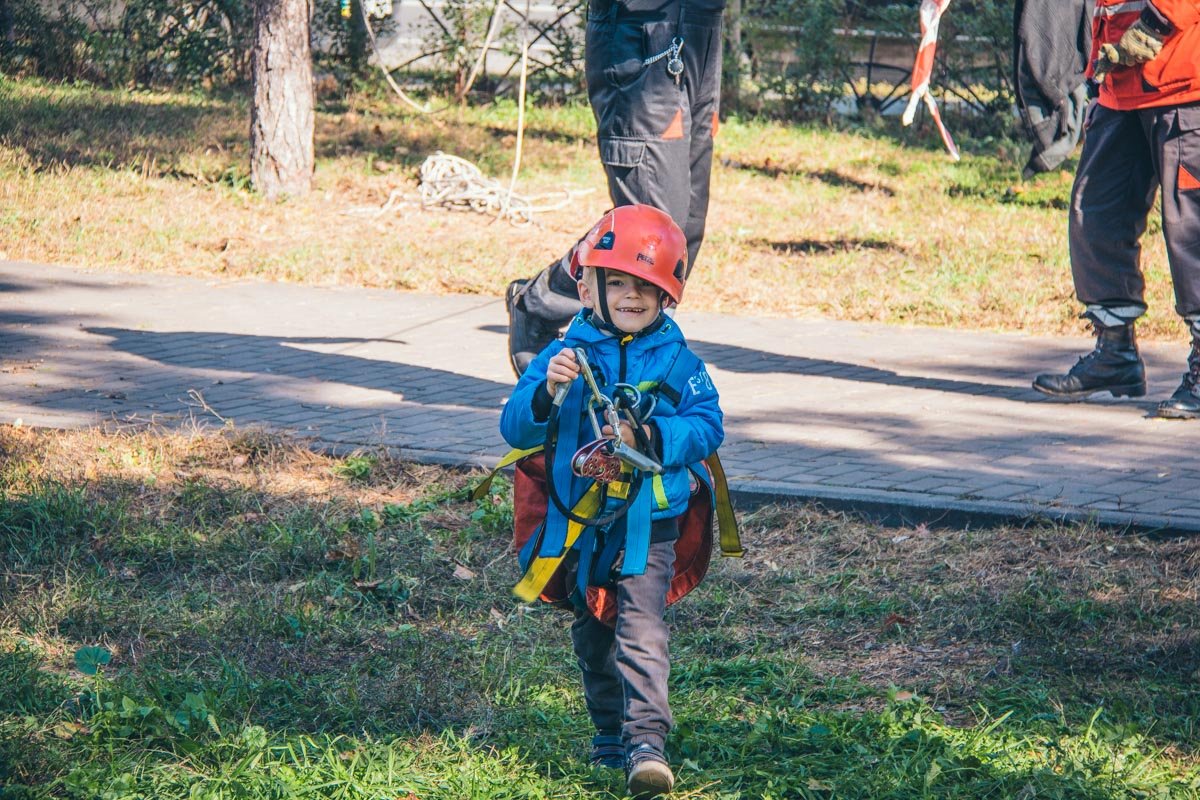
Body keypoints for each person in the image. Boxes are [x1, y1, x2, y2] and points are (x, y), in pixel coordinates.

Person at [499, 204, 726, 799]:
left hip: (650, 523)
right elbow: (515, 429)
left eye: (644, 286)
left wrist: (651, 437)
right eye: (617, 281)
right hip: (581, 523)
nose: (629, 295)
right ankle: (608, 733)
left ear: (666, 296)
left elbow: (708, 425)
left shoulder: (679, 362)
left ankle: (646, 742)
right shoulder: (563, 355)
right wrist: (548, 391)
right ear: (588, 285)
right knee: (593, 628)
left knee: (641, 627)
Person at [506, 0, 725, 377]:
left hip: (700, 28)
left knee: (683, 230)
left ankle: (634, 362)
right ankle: (543, 307)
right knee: (655, 228)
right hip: (640, 34)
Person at [1032, 0, 1200, 417]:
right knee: (1095, 213)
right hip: (1119, 84)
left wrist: (1156, 23)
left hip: (1183, 79)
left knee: (1190, 227)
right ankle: (1115, 352)